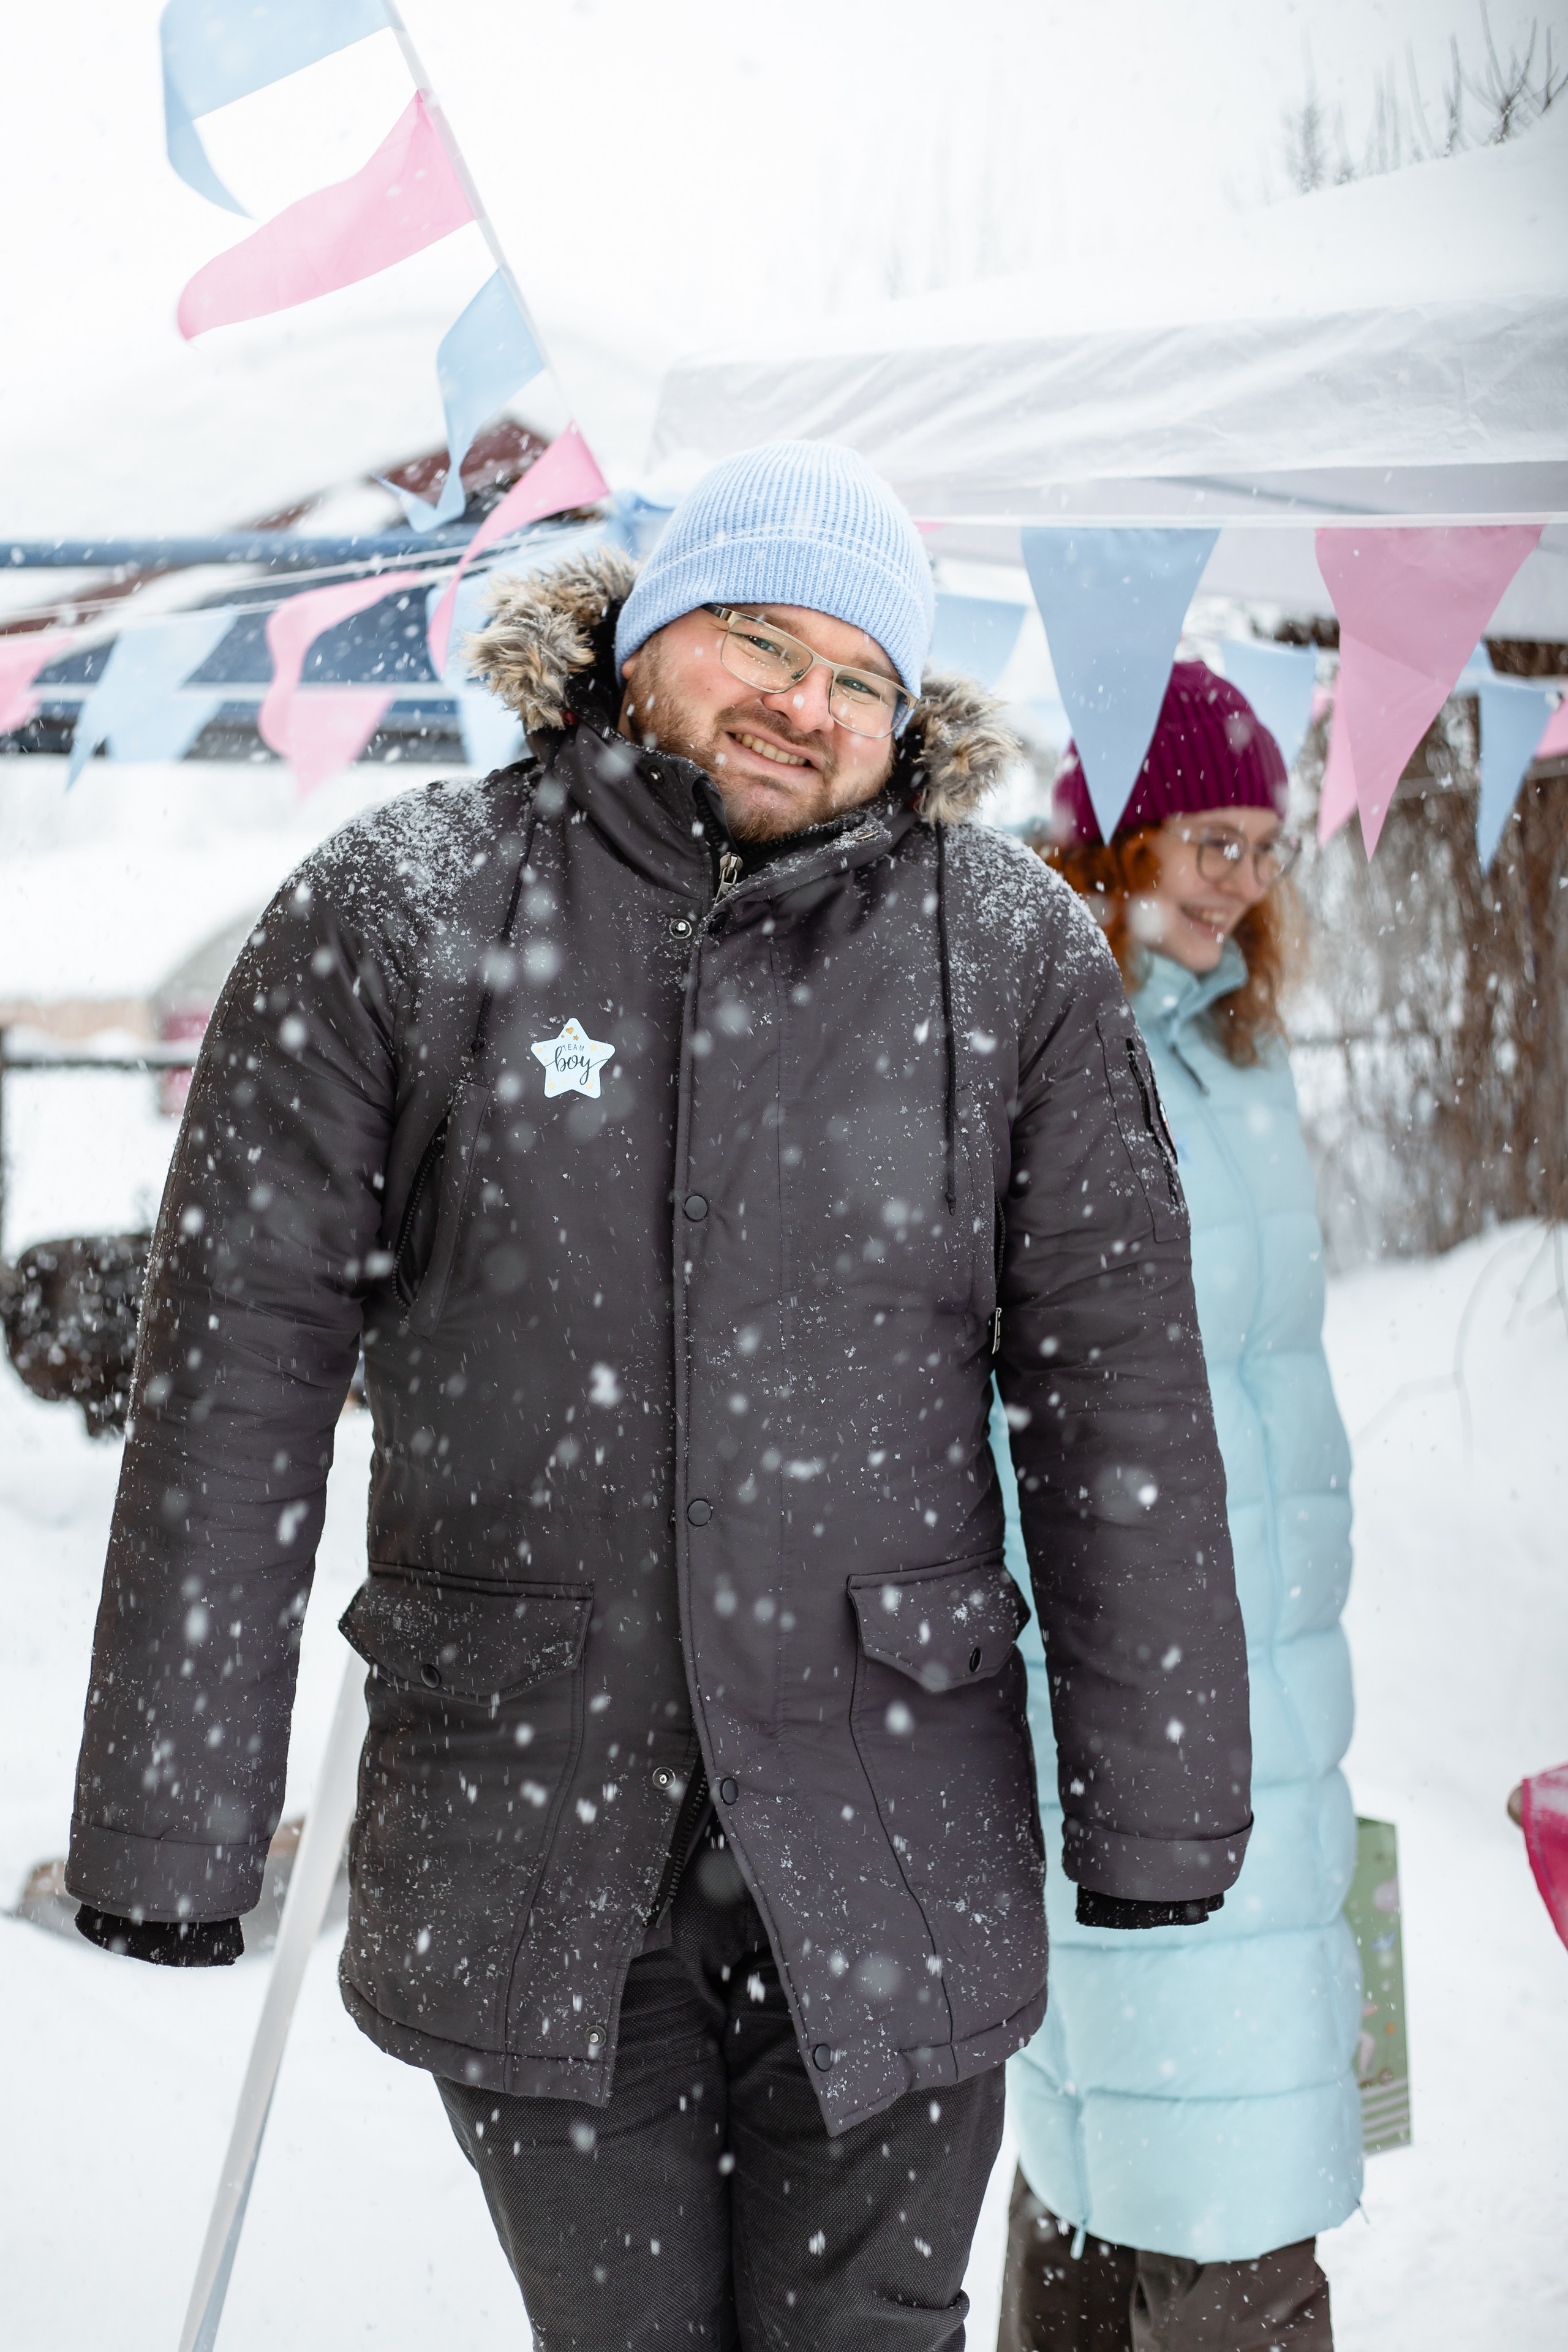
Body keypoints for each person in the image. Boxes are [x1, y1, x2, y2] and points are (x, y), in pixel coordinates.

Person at [66, 445, 1252, 2351]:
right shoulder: (402, 910)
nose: (806, 701)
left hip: (893, 1838)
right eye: (760, 638)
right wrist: (173, 1826)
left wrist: (1161, 1812)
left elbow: (1121, 1403)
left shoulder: (1007, 948)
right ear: (639, 638)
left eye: (860, 676)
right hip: (532, 1837)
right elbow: (237, 1375)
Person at [995, 662, 1360, 2352]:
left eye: (1265, 848)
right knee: (1188, 2171)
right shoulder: (1040, 1046)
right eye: (1211, 840)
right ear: (1116, 840)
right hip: (1130, 1704)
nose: (1242, 880)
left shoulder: (1232, 1048)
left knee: (1151, 2151)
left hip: (1272, 1707)